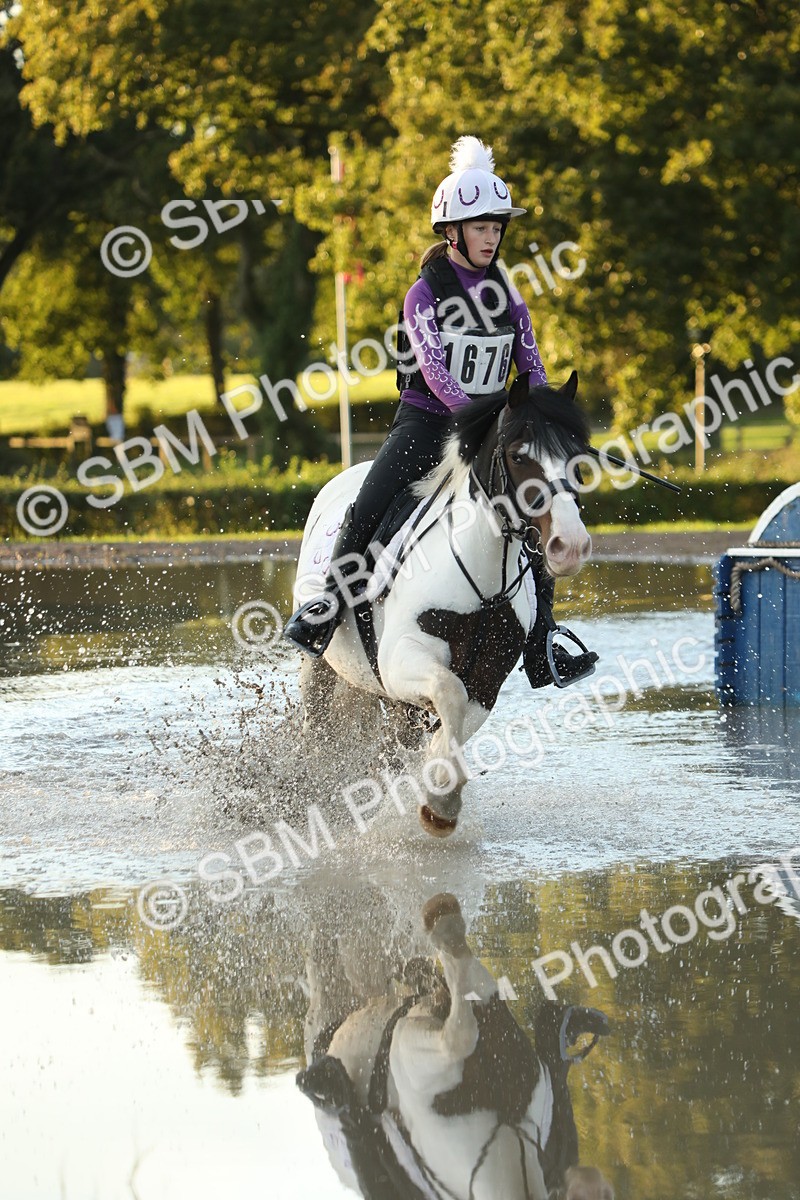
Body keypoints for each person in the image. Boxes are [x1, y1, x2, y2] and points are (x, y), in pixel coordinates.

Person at [283, 135, 597, 687]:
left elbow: (535, 373)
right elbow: (438, 375)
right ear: (452, 231)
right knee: (367, 506)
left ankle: (543, 639)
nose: (492, 236)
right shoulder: (423, 295)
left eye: (498, 227)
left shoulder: (511, 297)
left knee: (539, 509)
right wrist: (487, 422)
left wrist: (545, 427)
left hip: (495, 433)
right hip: (427, 425)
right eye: (482, 226)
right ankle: (326, 609)